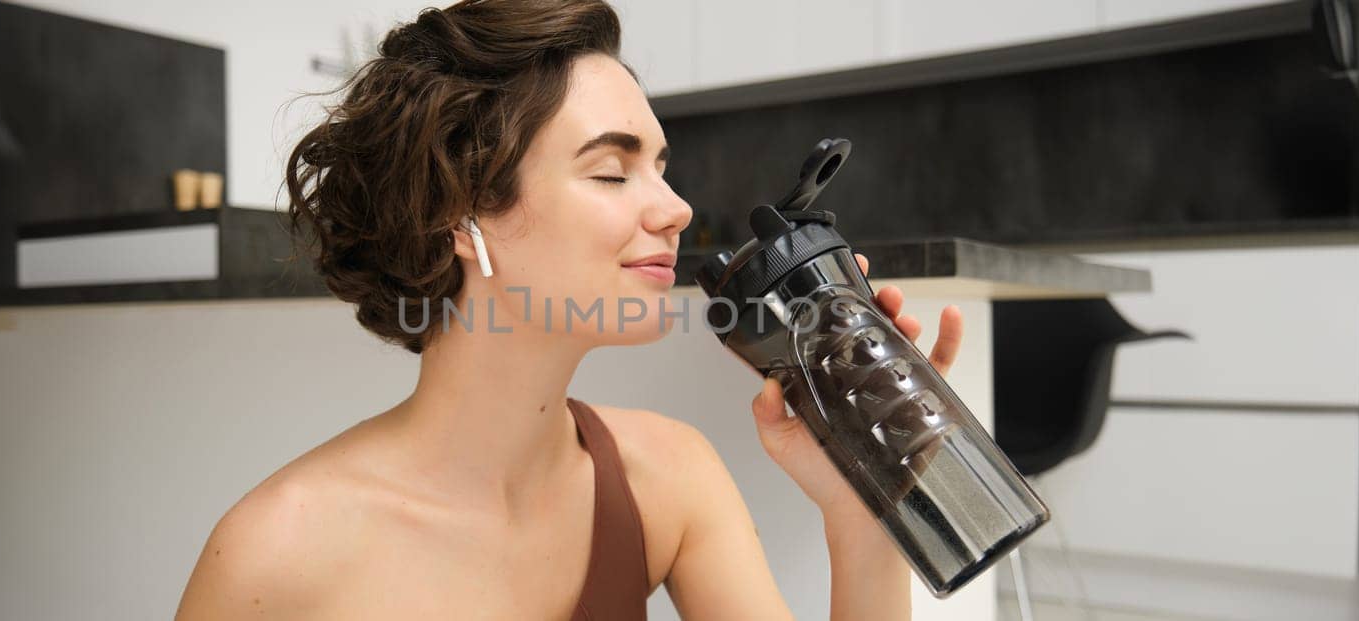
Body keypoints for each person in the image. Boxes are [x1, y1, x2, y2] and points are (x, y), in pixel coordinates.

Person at [175, 1, 962, 618]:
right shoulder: (275, 553)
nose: (678, 208)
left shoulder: (670, 478)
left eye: (660, 167)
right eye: (612, 173)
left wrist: (865, 506)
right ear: (462, 213)